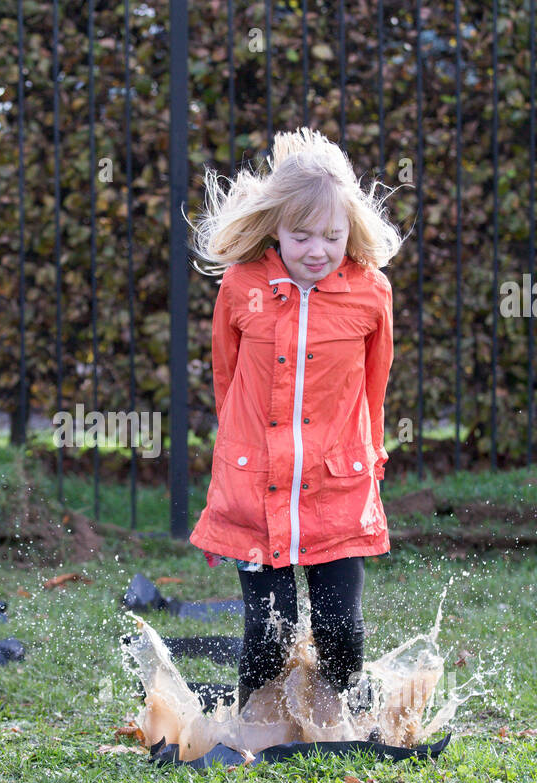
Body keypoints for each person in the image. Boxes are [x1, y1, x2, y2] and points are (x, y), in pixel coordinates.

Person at [186, 127, 405, 716]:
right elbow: (228, 383)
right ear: (274, 229)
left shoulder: (370, 294)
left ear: (350, 229)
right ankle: (255, 723)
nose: (317, 249)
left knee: (340, 631)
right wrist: (234, 467)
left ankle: (340, 720)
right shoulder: (241, 286)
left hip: (338, 482)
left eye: (332, 236)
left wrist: (372, 458)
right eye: (300, 234)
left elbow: (374, 389)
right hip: (255, 487)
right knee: (268, 631)